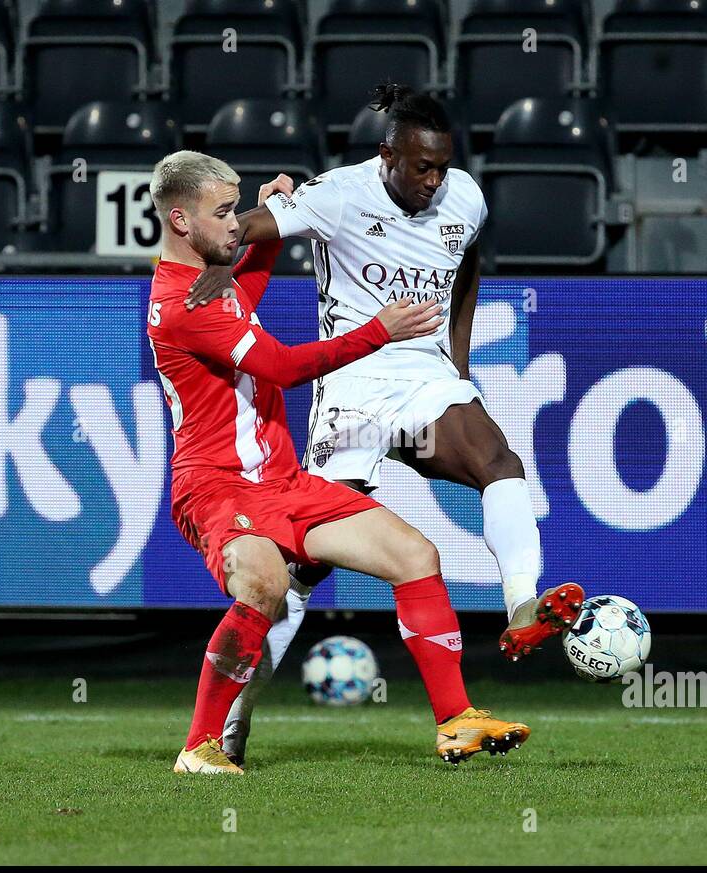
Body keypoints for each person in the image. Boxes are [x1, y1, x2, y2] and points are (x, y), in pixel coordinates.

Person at [183, 85, 583, 766]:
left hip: (424, 384)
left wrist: (457, 363)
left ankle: (522, 607)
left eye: (442, 166)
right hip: (352, 390)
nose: (434, 182)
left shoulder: (463, 196)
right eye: (421, 167)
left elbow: (468, 258)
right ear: (386, 155)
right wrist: (221, 259)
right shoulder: (337, 194)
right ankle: (230, 727)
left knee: (498, 460)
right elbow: (256, 223)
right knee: (296, 572)